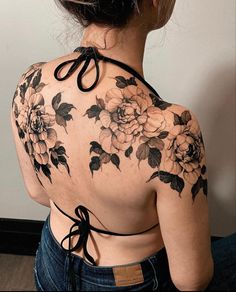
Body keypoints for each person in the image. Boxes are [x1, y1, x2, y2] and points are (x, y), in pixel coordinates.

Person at [10, 0, 236, 291]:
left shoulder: (31, 82)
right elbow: (191, 280)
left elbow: (38, 191)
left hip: (52, 261)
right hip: (129, 282)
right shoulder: (172, 130)